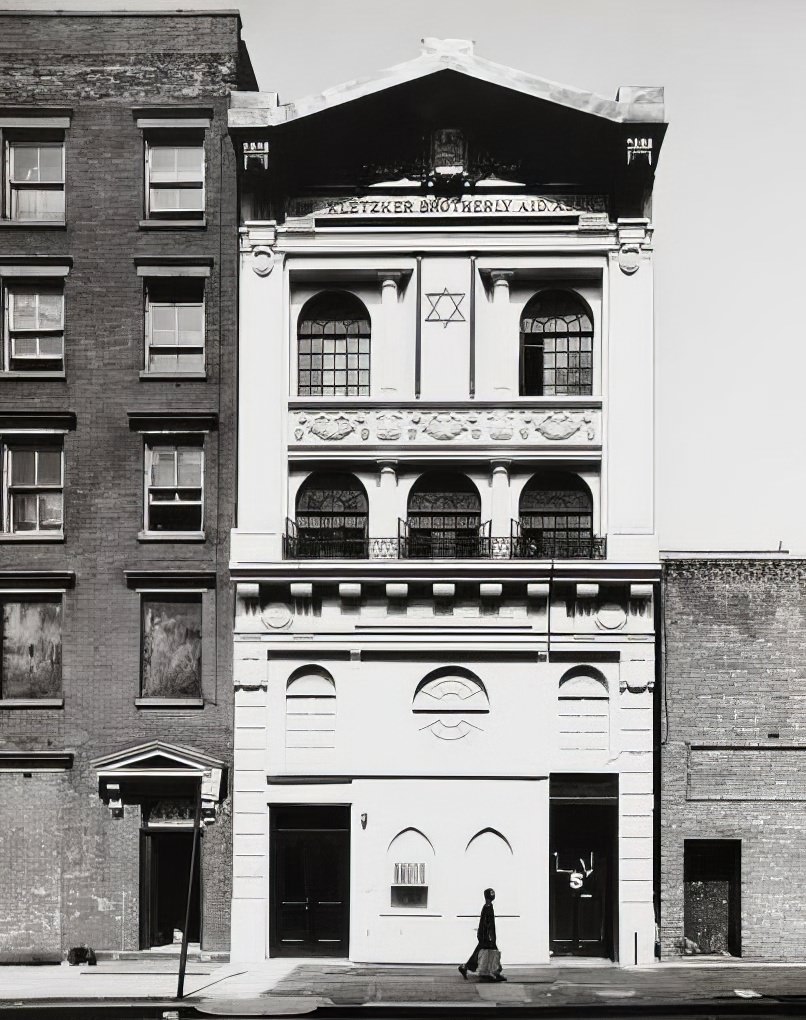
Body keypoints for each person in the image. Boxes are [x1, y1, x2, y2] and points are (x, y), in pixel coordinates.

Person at [458, 888, 506, 982]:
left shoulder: (488, 906)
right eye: (492, 893)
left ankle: (465, 967)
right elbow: (486, 924)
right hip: (487, 936)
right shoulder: (488, 907)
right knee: (493, 953)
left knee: (481, 952)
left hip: (486, 935)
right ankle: (495, 972)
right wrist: (489, 936)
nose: (493, 895)